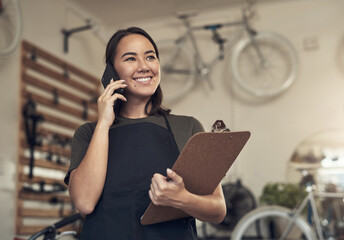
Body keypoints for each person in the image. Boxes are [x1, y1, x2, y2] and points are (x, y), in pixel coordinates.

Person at [64, 27, 226, 240]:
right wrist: (104, 123)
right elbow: (84, 202)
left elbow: (218, 209)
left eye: (150, 57)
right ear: (111, 72)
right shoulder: (89, 133)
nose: (144, 66)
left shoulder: (188, 128)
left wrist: (182, 198)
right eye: (130, 59)